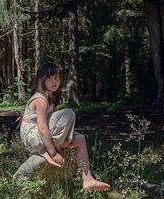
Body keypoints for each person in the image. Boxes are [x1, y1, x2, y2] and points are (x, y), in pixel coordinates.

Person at [19, 62, 110, 191]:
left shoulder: (51, 98)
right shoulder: (40, 99)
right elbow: (43, 128)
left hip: (39, 136)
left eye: (57, 78)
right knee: (68, 113)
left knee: (80, 139)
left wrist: (70, 136)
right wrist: (53, 152)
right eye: (51, 78)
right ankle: (44, 151)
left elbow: (55, 122)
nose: (55, 81)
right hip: (32, 136)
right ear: (42, 79)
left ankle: (88, 179)